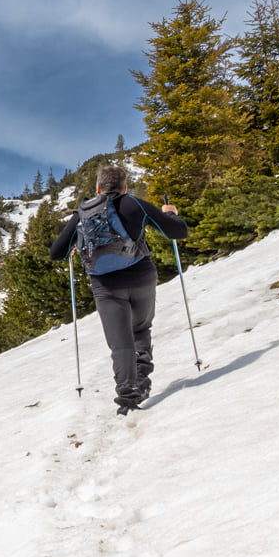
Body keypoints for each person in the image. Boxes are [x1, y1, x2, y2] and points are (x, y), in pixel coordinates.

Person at [48, 164, 188, 413]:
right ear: (125, 188)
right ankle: (142, 381)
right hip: (141, 277)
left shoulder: (84, 212)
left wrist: (74, 245)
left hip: (106, 286)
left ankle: (128, 394)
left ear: (98, 187)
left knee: (121, 343)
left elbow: (56, 253)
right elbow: (178, 231)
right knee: (141, 329)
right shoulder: (135, 204)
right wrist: (171, 214)